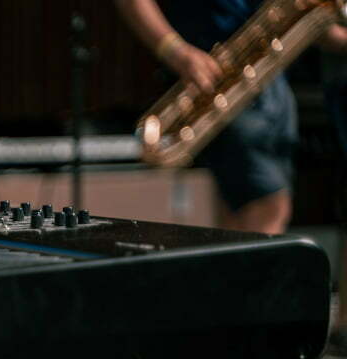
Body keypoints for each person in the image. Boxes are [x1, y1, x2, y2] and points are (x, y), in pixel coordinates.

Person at [116, 0, 347, 235]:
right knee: (266, 208)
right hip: (221, 70)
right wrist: (175, 50)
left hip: (264, 73)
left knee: (241, 213)